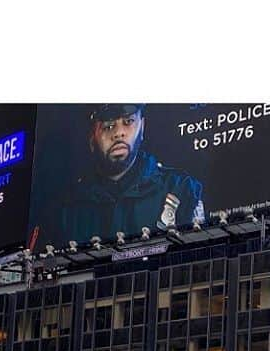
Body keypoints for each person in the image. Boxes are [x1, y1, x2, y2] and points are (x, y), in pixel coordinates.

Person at [48, 104, 204, 247]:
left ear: (142, 127)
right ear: (92, 137)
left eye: (128, 121)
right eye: (108, 126)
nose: (118, 133)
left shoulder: (180, 186)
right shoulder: (67, 208)